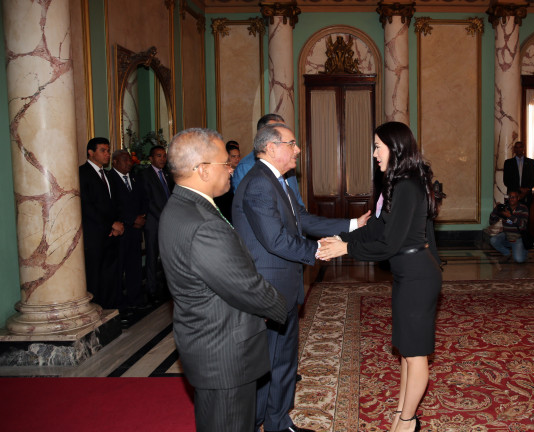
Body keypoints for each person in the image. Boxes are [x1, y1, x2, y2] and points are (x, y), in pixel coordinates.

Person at [232, 123, 370, 432]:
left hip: (281, 286)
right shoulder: (259, 184)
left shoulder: (276, 180)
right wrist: (319, 250)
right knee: (271, 361)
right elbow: (275, 240)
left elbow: (302, 220)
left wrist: (351, 225)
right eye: (291, 144)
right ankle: (263, 422)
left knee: (281, 359)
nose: (297, 149)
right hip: (269, 289)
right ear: (271, 148)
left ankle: (275, 421)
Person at [159, 128, 288, 432]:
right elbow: (244, 286)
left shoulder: (180, 205)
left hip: (206, 341)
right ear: (203, 170)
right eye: (225, 164)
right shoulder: (202, 223)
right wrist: (279, 307)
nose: (231, 169)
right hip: (225, 352)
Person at [317, 121, 442, 432]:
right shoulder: (397, 183)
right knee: (406, 350)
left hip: (417, 276)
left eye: (377, 147)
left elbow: (389, 244)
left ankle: (408, 422)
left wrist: (346, 249)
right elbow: (376, 227)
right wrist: (342, 238)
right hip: (407, 274)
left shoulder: (407, 186)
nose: (374, 154)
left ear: (395, 148)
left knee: (416, 354)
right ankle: (402, 412)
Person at [79, 137, 124, 308]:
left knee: (110, 276)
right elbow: (86, 206)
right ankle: (96, 310)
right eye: (103, 150)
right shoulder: (82, 173)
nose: (107, 154)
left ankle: (110, 309)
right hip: (95, 236)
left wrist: (118, 223)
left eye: (108, 150)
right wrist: (110, 224)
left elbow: (116, 203)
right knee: (95, 277)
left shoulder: (108, 175)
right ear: (91, 153)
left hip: (112, 235)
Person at [231, 113, 304, 207]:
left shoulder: (288, 165)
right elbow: (248, 207)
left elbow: (298, 204)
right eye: (275, 131)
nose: (297, 150)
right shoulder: (246, 166)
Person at [107, 150, 147, 313]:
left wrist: (142, 217)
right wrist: (131, 219)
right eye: (125, 160)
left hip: (135, 231)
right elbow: (112, 206)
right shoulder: (109, 178)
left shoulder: (136, 178)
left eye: (130, 160)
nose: (129, 163)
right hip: (120, 231)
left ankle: (135, 299)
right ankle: (119, 302)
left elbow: (144, 199)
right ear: (115, 162)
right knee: (118, 268)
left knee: (134, 267)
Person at [140, 145, 174, 304]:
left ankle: (167, 287)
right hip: (154, 222)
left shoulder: (167, 174)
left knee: (168, 256)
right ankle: (152, 290)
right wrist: (163, 217)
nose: (162, 159)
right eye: (159, 156)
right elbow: (147, 200)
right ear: (151, 158)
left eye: (164, 156)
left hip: (168, 221)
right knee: (152, 257)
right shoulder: (145, 175)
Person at [489, 190, 530, 263]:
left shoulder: (523, 208)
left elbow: (523, 225)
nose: (511, 199)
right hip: (506, 235)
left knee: (519, 260)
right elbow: (492, 222)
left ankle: (524, 250)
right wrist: (495, 211)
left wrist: (509, 216)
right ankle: (506, 253)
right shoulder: (505, 208)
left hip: (518, 237)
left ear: (518, 198)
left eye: (513, 197)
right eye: (510, 197)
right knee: (493, 240)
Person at [503, 141, 534, 206]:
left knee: (525, 212)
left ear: (523, 148)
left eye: (520, 147)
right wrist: (519, 189)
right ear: (514, 149)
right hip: (513, 196)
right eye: (516, 147)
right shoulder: (508, 163)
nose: (518, 149)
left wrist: (525, 190)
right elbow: (506, 180)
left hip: (527, 195)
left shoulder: (531, 162)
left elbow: (533, 180)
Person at [213, 140, 241, 221]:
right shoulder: (220, 177)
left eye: (238, 156)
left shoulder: (239, 171)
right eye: (233, 156)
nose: (237, 159)